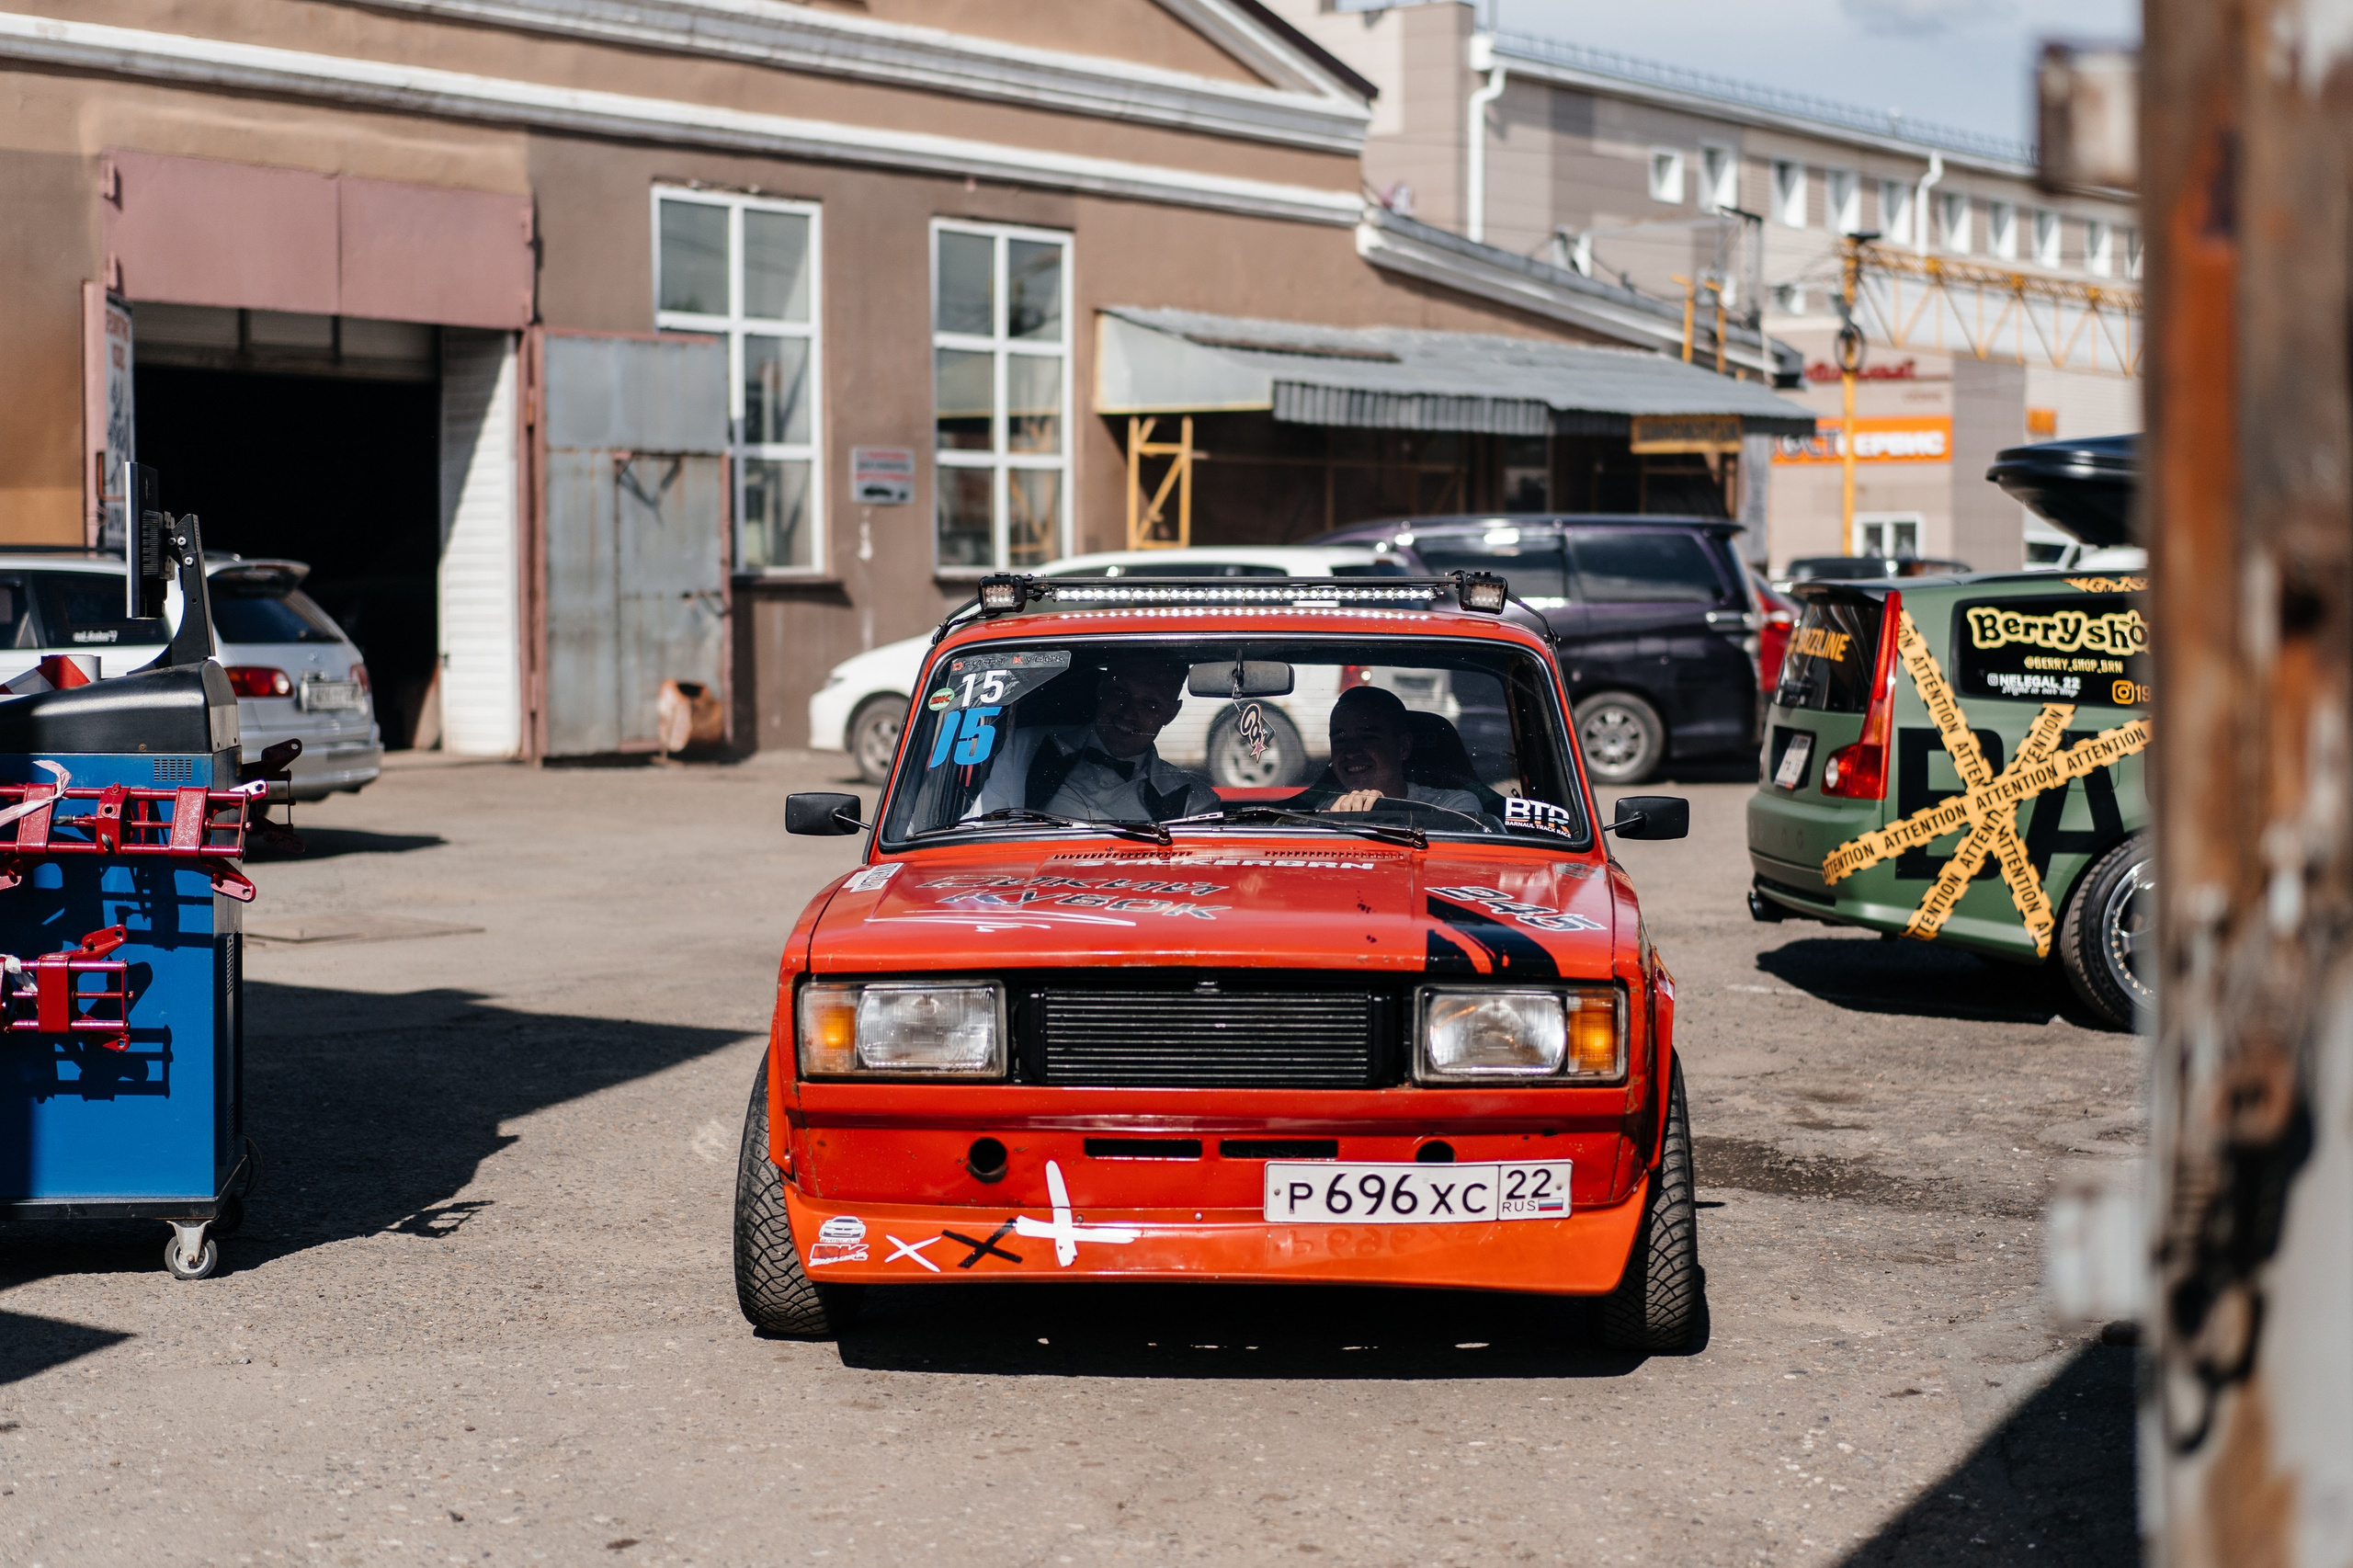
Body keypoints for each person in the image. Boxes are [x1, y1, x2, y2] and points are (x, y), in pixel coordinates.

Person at [965, 654, 1220, 824]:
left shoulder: (1193, 801)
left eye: (1150, 704)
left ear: (1171, 714)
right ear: (1102, 688)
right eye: (1121, 692)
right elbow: (976, 833)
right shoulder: (1026, 748)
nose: (1129, 712)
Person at [1310, 684, 1484, 819]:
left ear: (1403, 747)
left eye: (1367, 737)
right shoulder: (1318, 810)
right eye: (1340, 740)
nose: (1351, 752)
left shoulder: (1451, 806)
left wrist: (1384, 808)